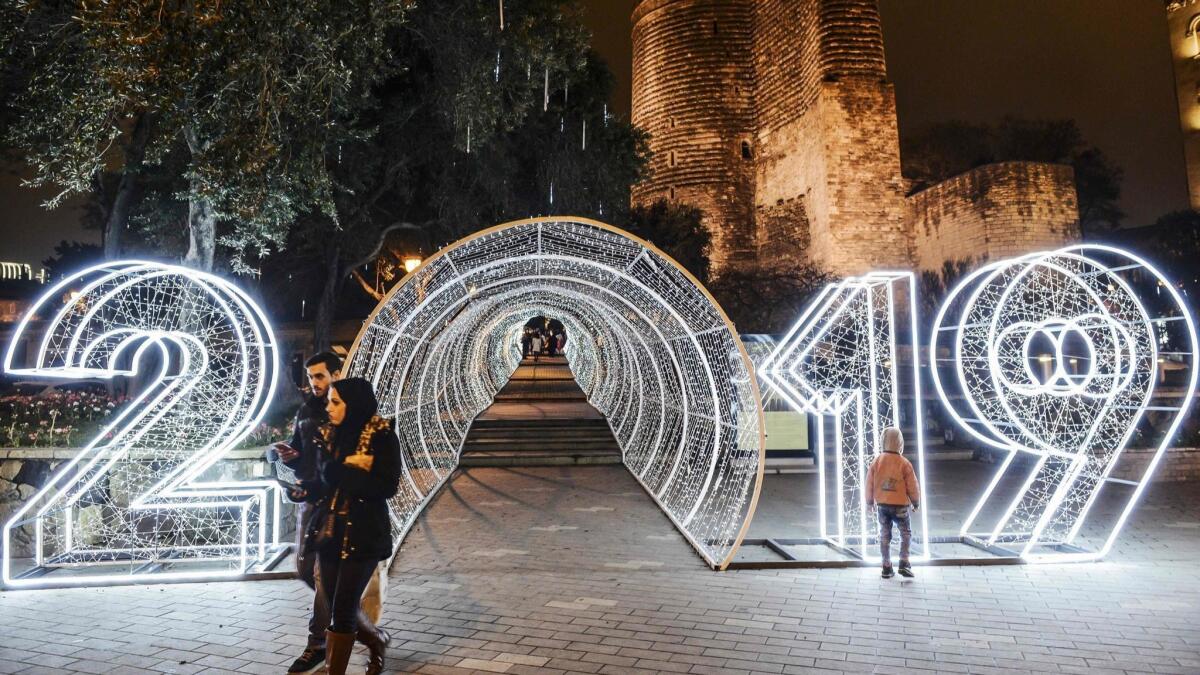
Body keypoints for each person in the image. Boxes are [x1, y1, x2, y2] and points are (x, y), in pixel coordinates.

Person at [299, 378, 401, 675]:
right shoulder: (329, 435)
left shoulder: (381, 437)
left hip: (364, 534)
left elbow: (386, 486)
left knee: (343, 610)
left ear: (353, 404)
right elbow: (322, 482)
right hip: (331, 532)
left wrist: (339, 473)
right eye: (329, 401)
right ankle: (377, 639)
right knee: (337, 607)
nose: (328, 408)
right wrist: (306, 489)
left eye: (335, 402)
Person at [274, 352, 341, 674]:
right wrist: (289, 458)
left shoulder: (344, 409)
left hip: (336, 502)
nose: (314, 383)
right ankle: (348, 611)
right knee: (303, 569)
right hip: (309, 500)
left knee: (321, 575)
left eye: (320, 376)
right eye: (311, 377)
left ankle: (317, 645)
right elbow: (301, 453)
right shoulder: (306, 410)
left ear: (335, 375)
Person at [865, 427, 920, 579]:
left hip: (882, 505)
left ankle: (886, 566)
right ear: (900, 442)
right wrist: (915, 502)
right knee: (905, 533)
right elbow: (912, 485)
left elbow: (869, 483)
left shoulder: (877, 461)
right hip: (901, 506)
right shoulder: (904, 463)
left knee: (884, 535)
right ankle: (904, 562)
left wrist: (869, 502)